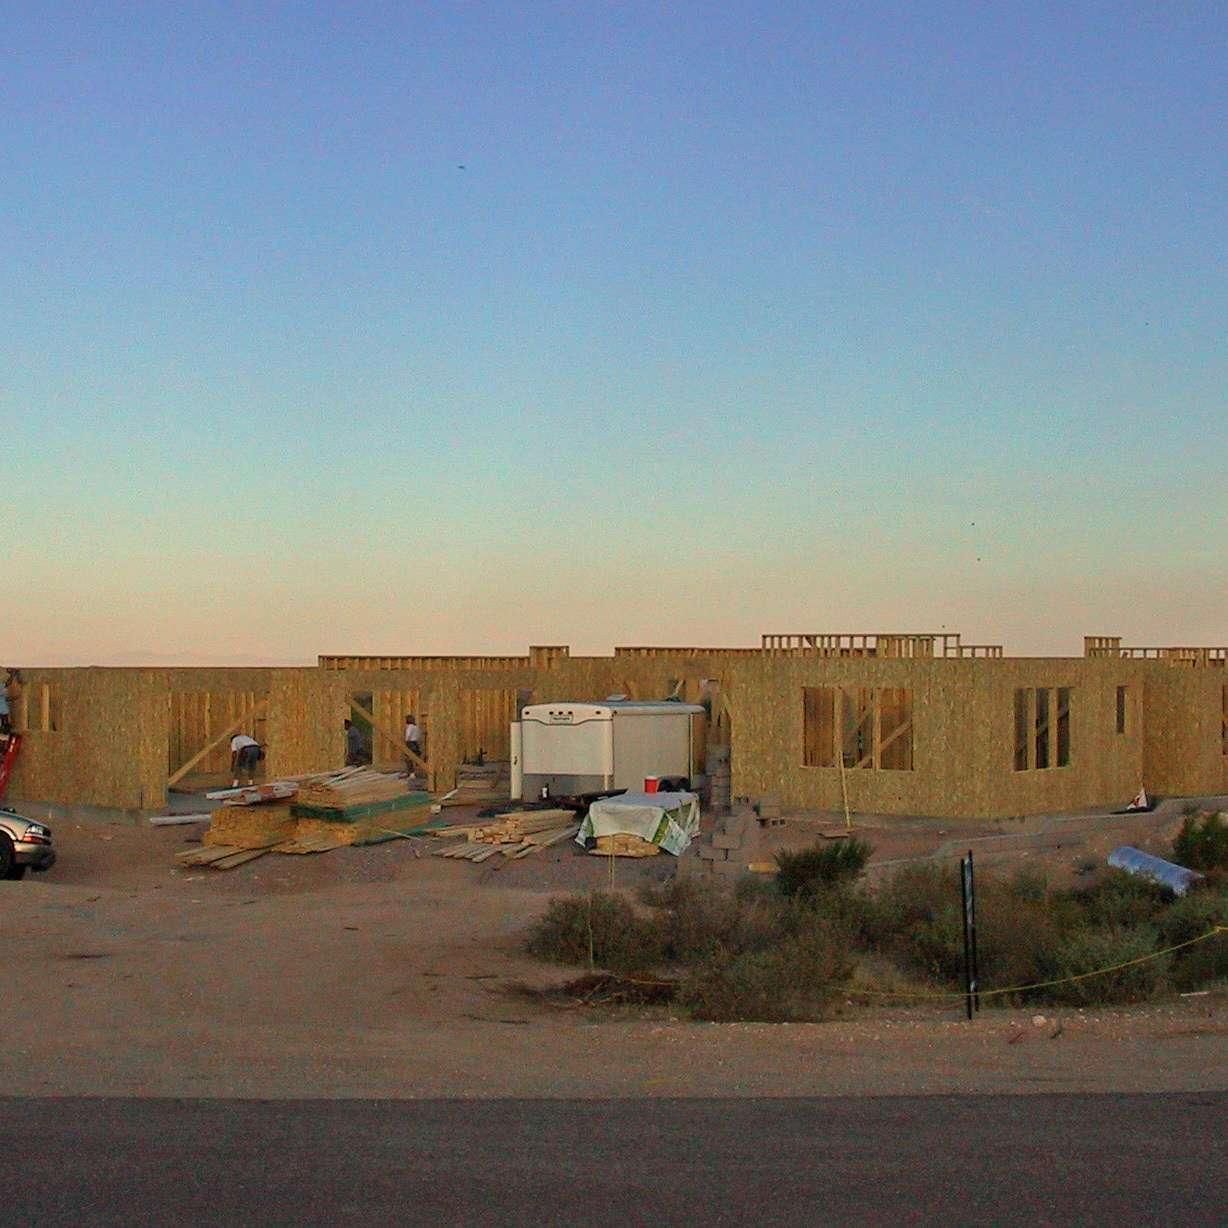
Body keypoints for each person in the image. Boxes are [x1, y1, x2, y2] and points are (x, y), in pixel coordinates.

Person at [0, 668, 21, 737]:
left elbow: (6, 700)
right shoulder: (4, 712)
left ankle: (13, 674)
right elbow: (6, 700)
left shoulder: (4, 712)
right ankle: (13, 673)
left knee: (6, 685)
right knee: (6, 685)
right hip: (3, 708)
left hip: (3, 708)